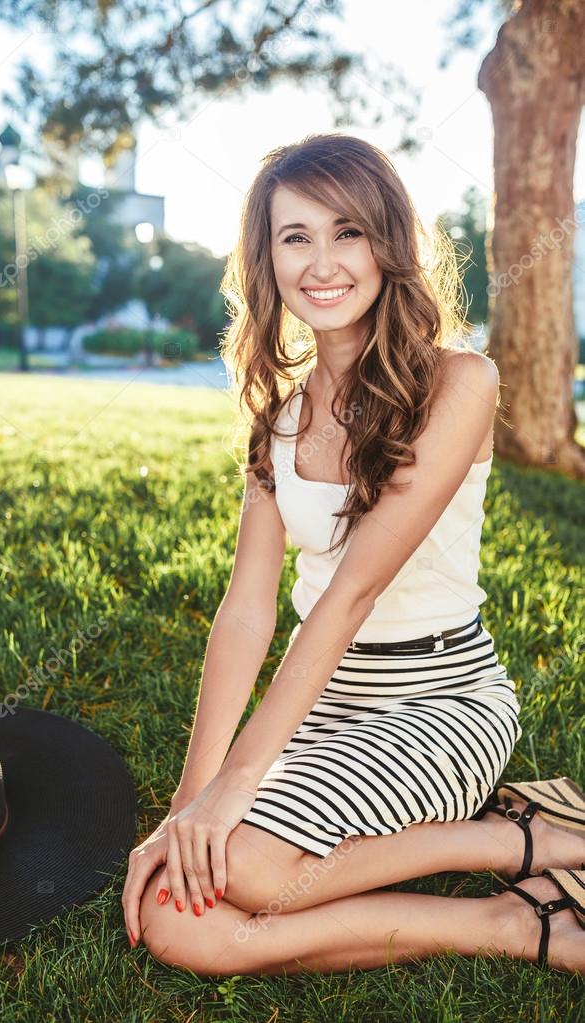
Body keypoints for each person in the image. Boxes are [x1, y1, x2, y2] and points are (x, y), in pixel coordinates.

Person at [122, 133, 585, 976]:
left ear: (387, 245)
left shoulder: (459, 382)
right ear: (266, 258)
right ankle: (511, 922)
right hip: (325, 709)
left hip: (445, 698)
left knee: (250, 866)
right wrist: (188, 803)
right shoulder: (278, 418)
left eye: (348, 231)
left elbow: (353, 592)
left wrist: (237, 786)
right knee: (175, 917)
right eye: (295, 236)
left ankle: (501, 840)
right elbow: (247, 608)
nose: (322, 261)